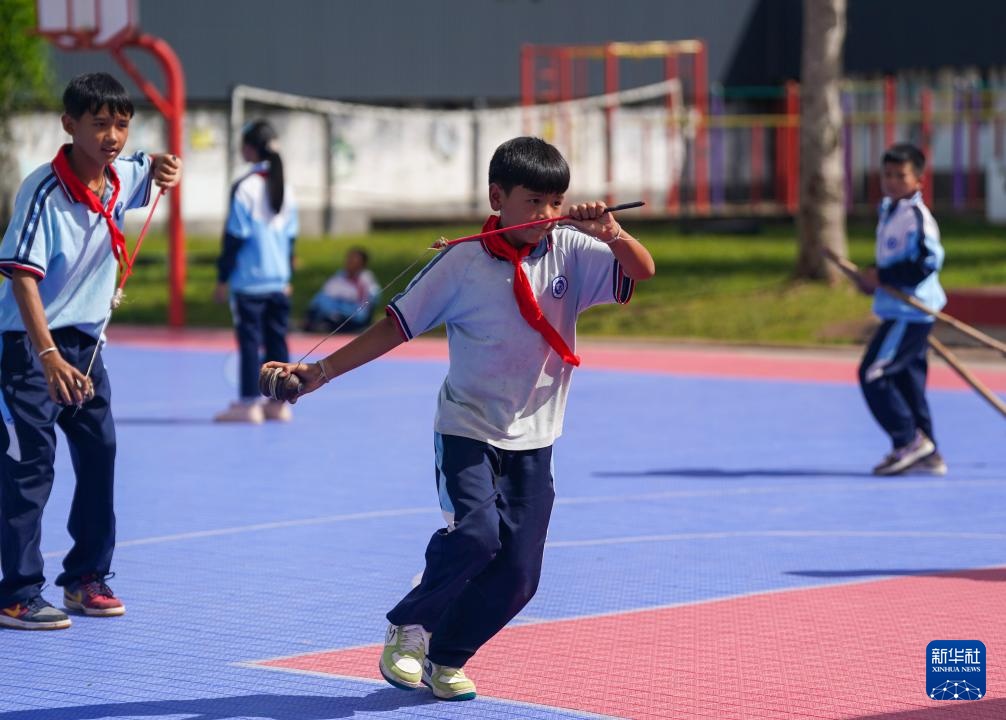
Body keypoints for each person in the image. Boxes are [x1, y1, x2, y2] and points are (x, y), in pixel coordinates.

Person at [264, 136, 654, 700]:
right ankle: (410, 626)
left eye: (556, 201)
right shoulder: (462, 262)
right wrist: (320, 372)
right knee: (475, 535)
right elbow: (393, 327)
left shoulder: (571, 248)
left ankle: (445, 657)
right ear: (497, 197)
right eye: (533, 201)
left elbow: (641, 270)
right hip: (468, 426)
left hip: (536, 436)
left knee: (520, 576)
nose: (547, 214)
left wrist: (612, 233)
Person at [0, 72, 182, 630]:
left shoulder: (120, 175)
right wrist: (48, 355)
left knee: (100, 454)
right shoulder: (43, 192)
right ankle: (18, 594)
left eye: (121, 125)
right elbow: (21, 277)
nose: (112, 136)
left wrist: (164, 163)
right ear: (69, 124)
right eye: (99, 124)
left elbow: (152, 165)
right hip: (30, 346)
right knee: (31, 465)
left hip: (86, 343)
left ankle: (86, 578)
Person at [855, 142, 947, 476]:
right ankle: (928, 451)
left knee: (874, 373)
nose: (892, 181)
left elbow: (927, 263)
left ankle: (907, 440)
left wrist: (885, 277)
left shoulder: (917, 217)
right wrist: (872, 279)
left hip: (910, 312)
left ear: (919, 180)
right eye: (888, 175)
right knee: (908, 383)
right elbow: (892, 259)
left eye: (901, 175)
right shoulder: (889, 210)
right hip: (898, 308)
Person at [214, 119, 298, 424]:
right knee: (277, 342)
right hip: (278, 281)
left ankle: (248, 404)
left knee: (249, 343)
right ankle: (278, 404)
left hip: (249, 282)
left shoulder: (245, 187)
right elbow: (290, 237)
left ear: (249, 149)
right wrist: (287, 275)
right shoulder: (286, 187)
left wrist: (222, 278)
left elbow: (235, 237)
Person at [303, 246, 380, 333]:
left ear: (362, 263)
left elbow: (369, 301)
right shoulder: (340, 275)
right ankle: (313, 322)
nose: (349, 262)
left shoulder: (366, 279)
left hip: (354, 312)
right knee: (321, 299)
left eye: (353, 260)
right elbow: (327, 293)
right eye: (349, 259)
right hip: (336, 309)